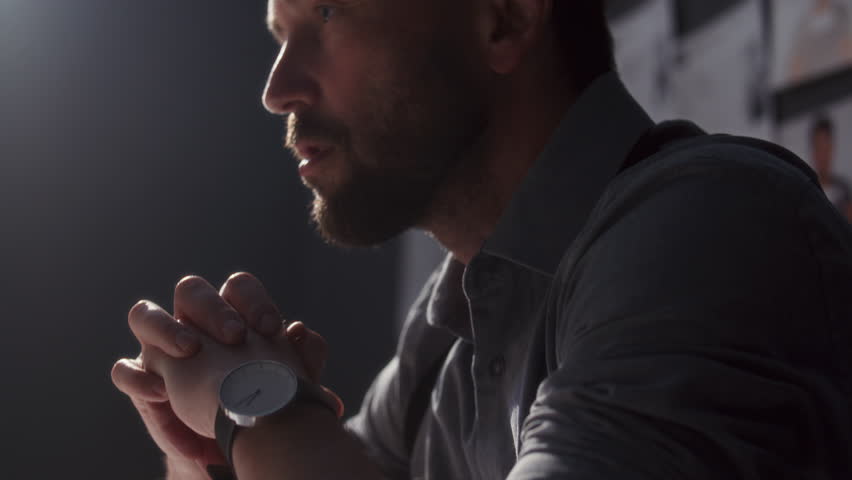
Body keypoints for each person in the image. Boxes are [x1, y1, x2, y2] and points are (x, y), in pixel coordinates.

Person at [111, 1, 852, 479]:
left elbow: (292, 445)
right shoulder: (452, 328)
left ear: (502, 18)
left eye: (329, 13)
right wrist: (205, 452)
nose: (277, 87)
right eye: (280, 34)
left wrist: (259, 405)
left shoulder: (711, 223)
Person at [810, 114, 852, 221]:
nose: (823, 156)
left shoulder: (843, 190)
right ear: (813, 150)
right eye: (819, 148)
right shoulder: (809, 192)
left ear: (831, 149)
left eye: (826, 148)